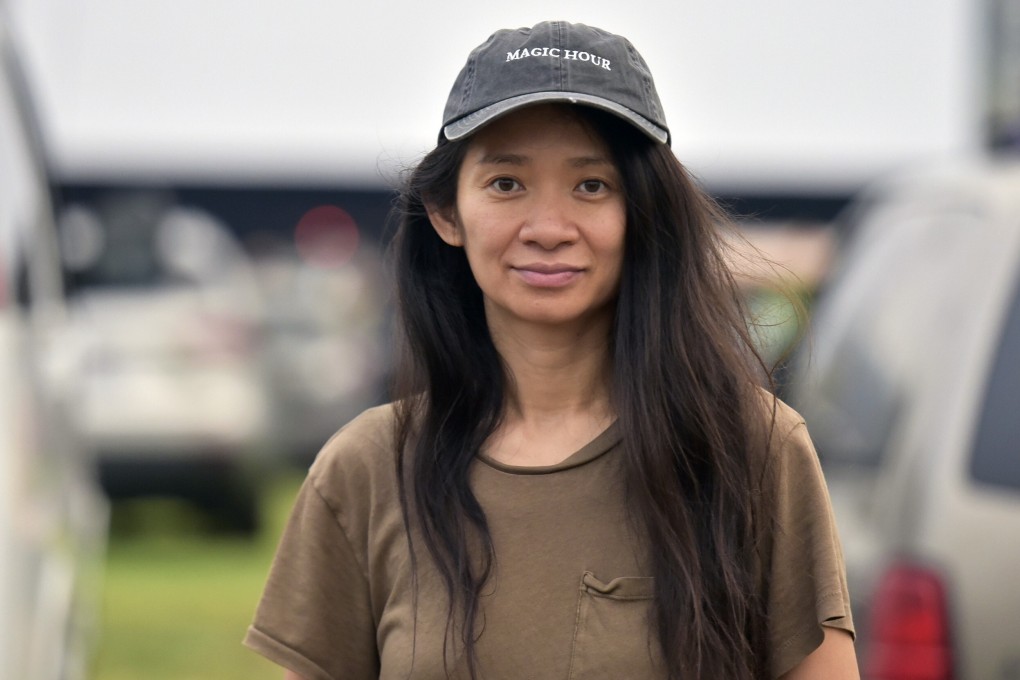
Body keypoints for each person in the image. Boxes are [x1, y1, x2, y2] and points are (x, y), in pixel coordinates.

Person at [244, 20, 858, 680]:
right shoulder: (366, 470)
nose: (547, 229)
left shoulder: (754, 449)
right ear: (446, 212)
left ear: (643, 213)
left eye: (591, 185)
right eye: (507, 183)